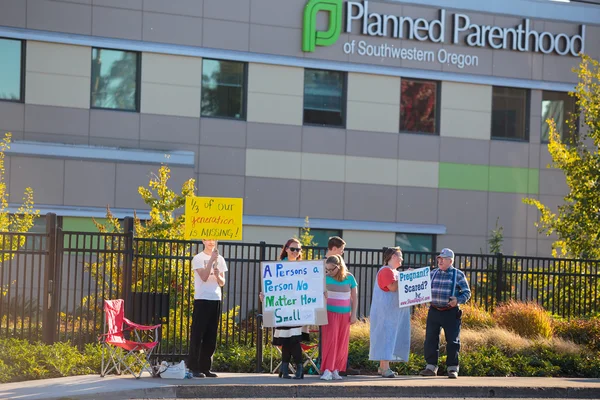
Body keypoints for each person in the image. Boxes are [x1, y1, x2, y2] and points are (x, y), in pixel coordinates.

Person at [260, 238, 309, 379]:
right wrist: (265, 295)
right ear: (286, 249)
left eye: (298, 249)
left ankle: (288, 369)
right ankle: (291, 369)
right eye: (293, 249)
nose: (295, 252)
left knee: (293, 338)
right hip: (282, 307)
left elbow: (310, 285)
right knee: (288, 338)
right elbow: (271, 285)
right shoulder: (278, 266)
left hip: (297, 308)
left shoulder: (304, 268)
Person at [419, 248, 471, 379]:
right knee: (430, 339)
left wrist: (458, 300)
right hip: (434, 311)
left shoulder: (458, 275)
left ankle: (452, 368)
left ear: (450, 261)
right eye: (439, 258)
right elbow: (421, 287)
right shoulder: (433, 273)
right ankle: (431, 367)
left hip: (450, 312)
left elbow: (467, 293)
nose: (440, 261)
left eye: (443, 259)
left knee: (453, 341)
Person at [368, 247, 411, 378]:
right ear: (393, 257)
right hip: (385, 314)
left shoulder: (393, 272)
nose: (402, 259)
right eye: (400, 256)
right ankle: (385, 368)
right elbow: (392, 287)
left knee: (388, 338)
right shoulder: (386, 271)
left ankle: (383, 367)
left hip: (390, 313)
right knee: (386, 338)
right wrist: (406, 277)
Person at [187, 239, 228, 378]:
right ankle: (194, 367)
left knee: (211, 335)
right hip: (202, 298)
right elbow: (204, 277)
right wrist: (211, 260)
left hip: (215, 298)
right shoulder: (198, 258)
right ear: (203, 241)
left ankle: (206, 367)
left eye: (213, 239)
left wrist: (217, 275)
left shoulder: (221, 259)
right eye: (208, 239)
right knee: (198, 334)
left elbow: (222, 282)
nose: (211, 242)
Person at [320, 254, 358, 380]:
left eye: (332, 269)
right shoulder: (325, 278)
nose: (329, 272)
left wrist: (354, 314)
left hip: (344, 314)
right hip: (329, 313)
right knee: (330, 341)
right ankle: (327, 369)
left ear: (339, 266)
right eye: (327, 269)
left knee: (342, 342)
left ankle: (336, 368)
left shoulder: (349, 277)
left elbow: (355, 297)